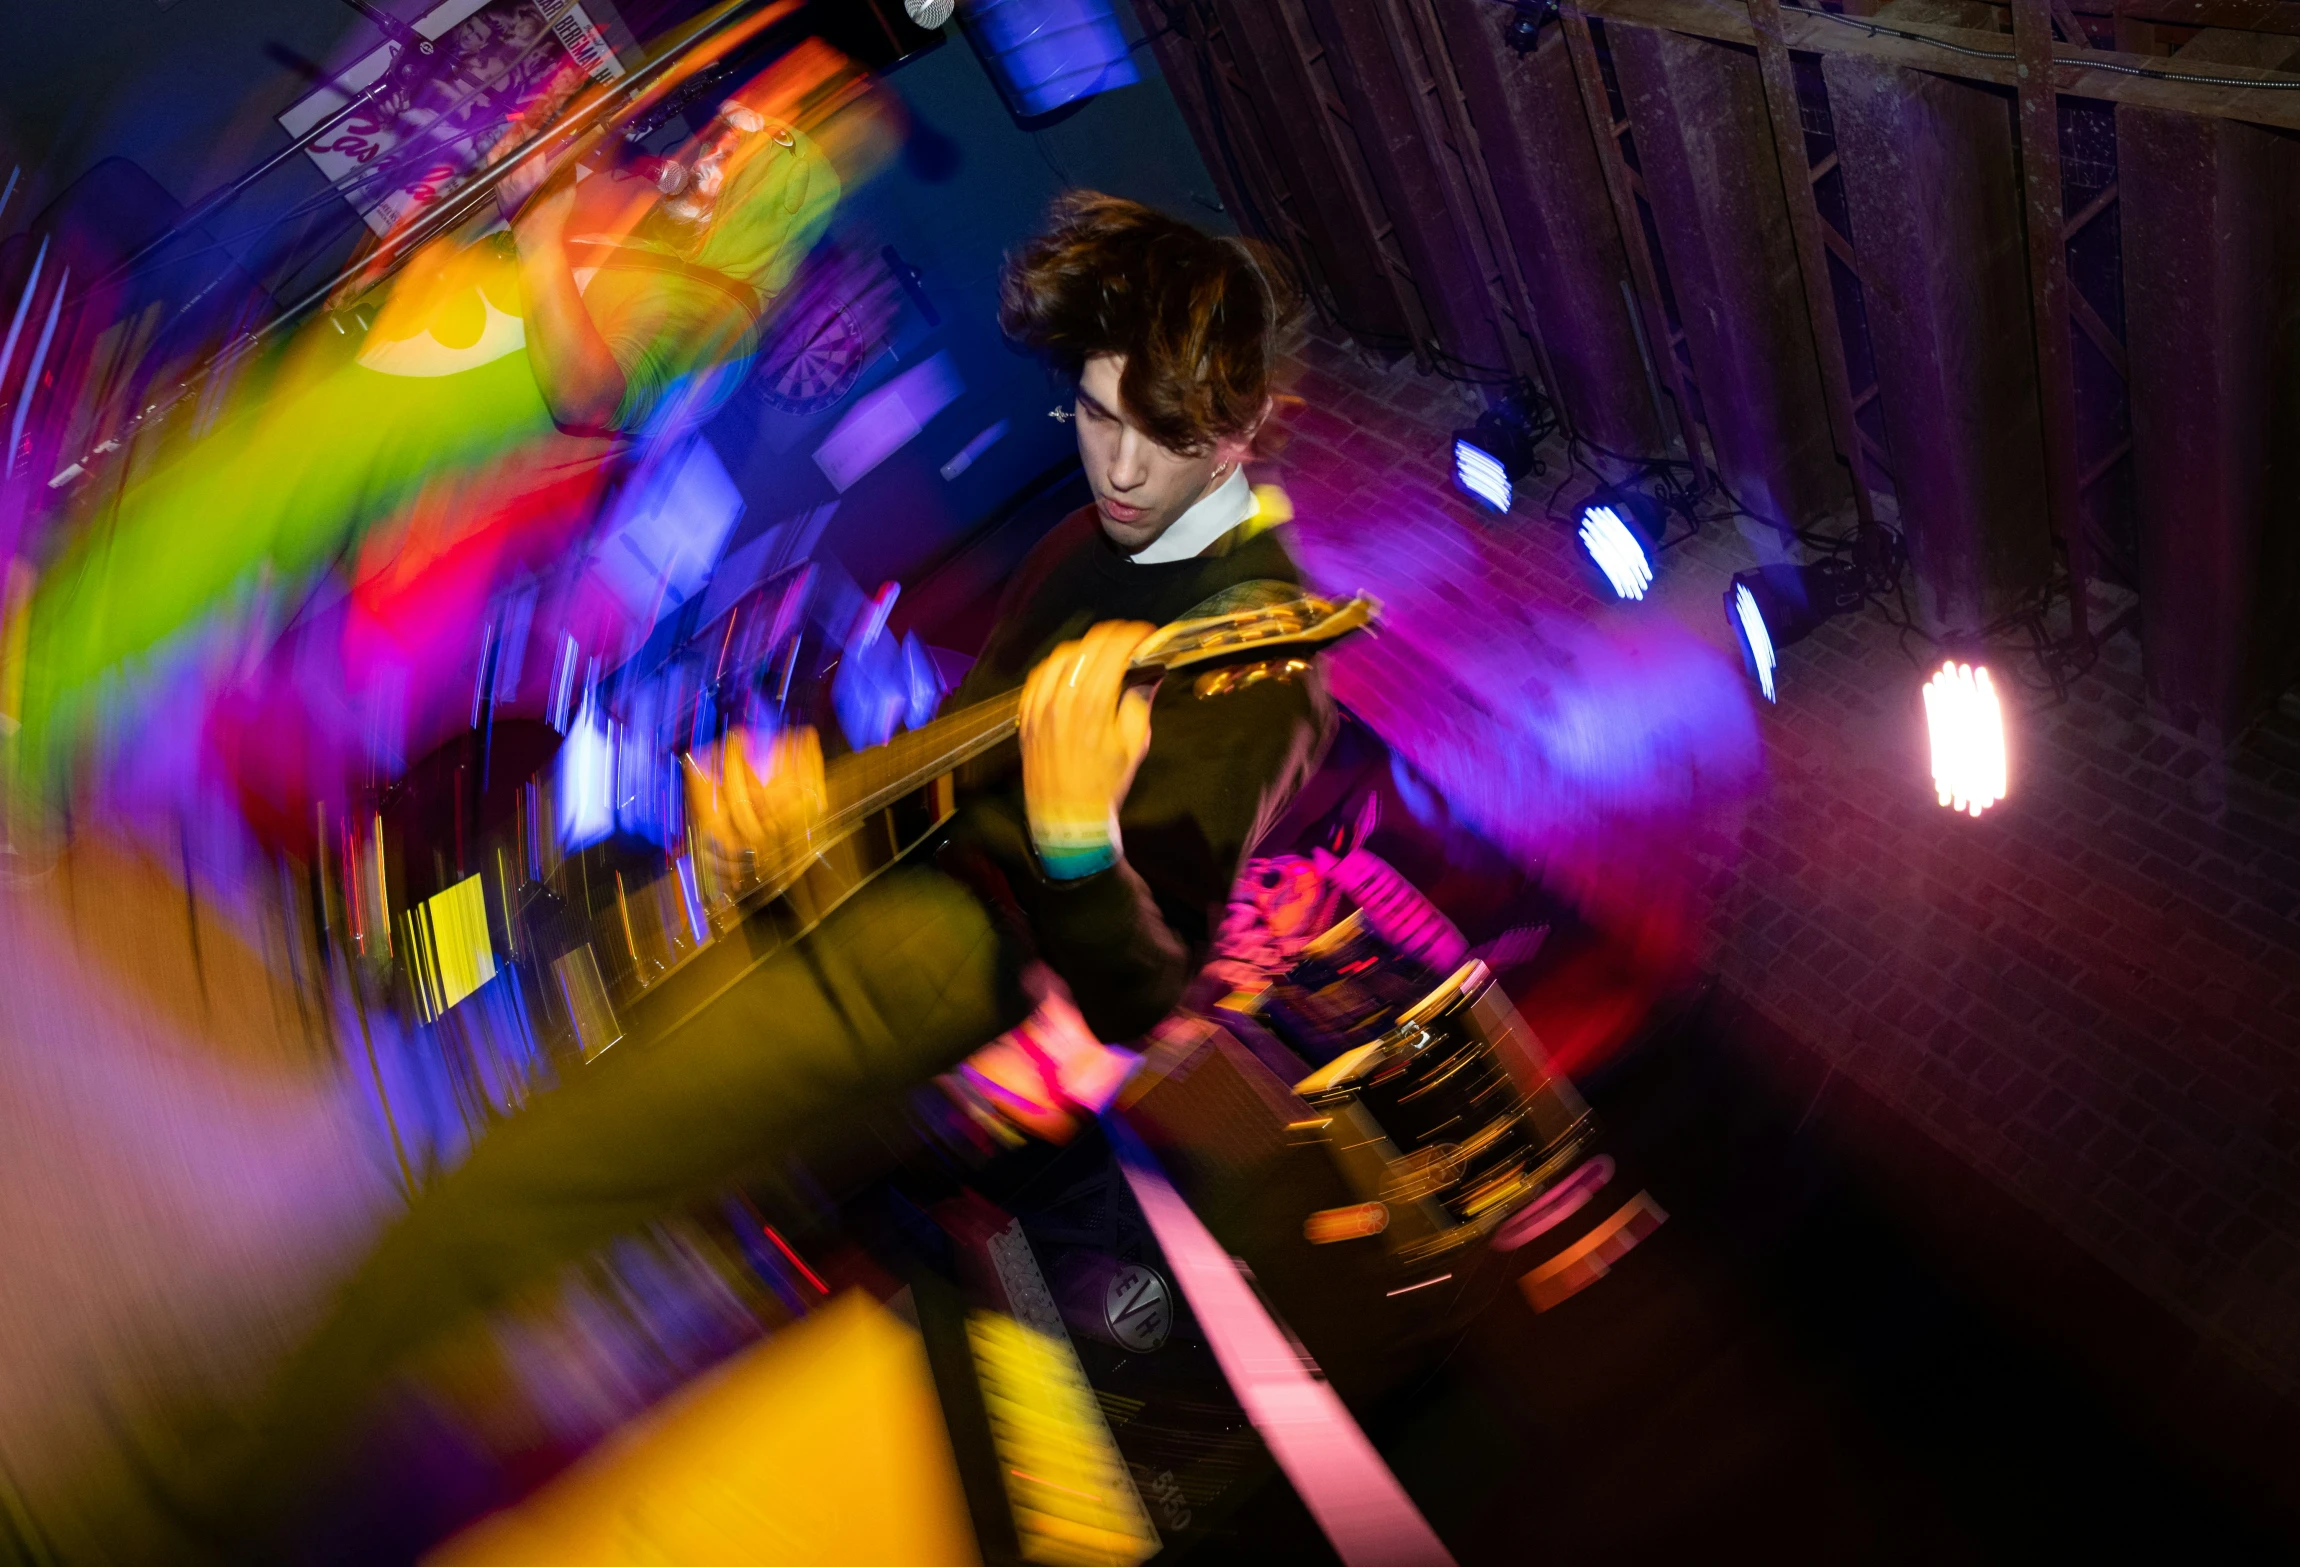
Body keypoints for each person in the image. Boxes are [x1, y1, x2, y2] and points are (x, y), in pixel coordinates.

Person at [145, 189, 1331, 1557]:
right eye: (1095, 412)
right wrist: (802, 789)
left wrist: (1074, 836)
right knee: (543, 1173)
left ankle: (203, 1502)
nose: (1115, 466)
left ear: (1247, 431)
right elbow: (961, 755)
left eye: (1158, 438)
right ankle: (274, 1449)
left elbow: (1140, 986)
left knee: (508, 1189)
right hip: (848, 895)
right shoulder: (1089, 545)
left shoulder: (1263, 671)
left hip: (923, 970)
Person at [2, 45, 857, 826]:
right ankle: (39, 662)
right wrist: (557, 149)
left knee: (208, 536)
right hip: (362, 372)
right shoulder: (652, 205)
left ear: (775, 199)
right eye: (739, 123)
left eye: (759, 141)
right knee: (182, 497)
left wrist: (542, 233)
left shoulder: (712, 305)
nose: (726, 138)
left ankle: (36, 718)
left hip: (398, 425)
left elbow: (592, 387)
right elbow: (559, 193)